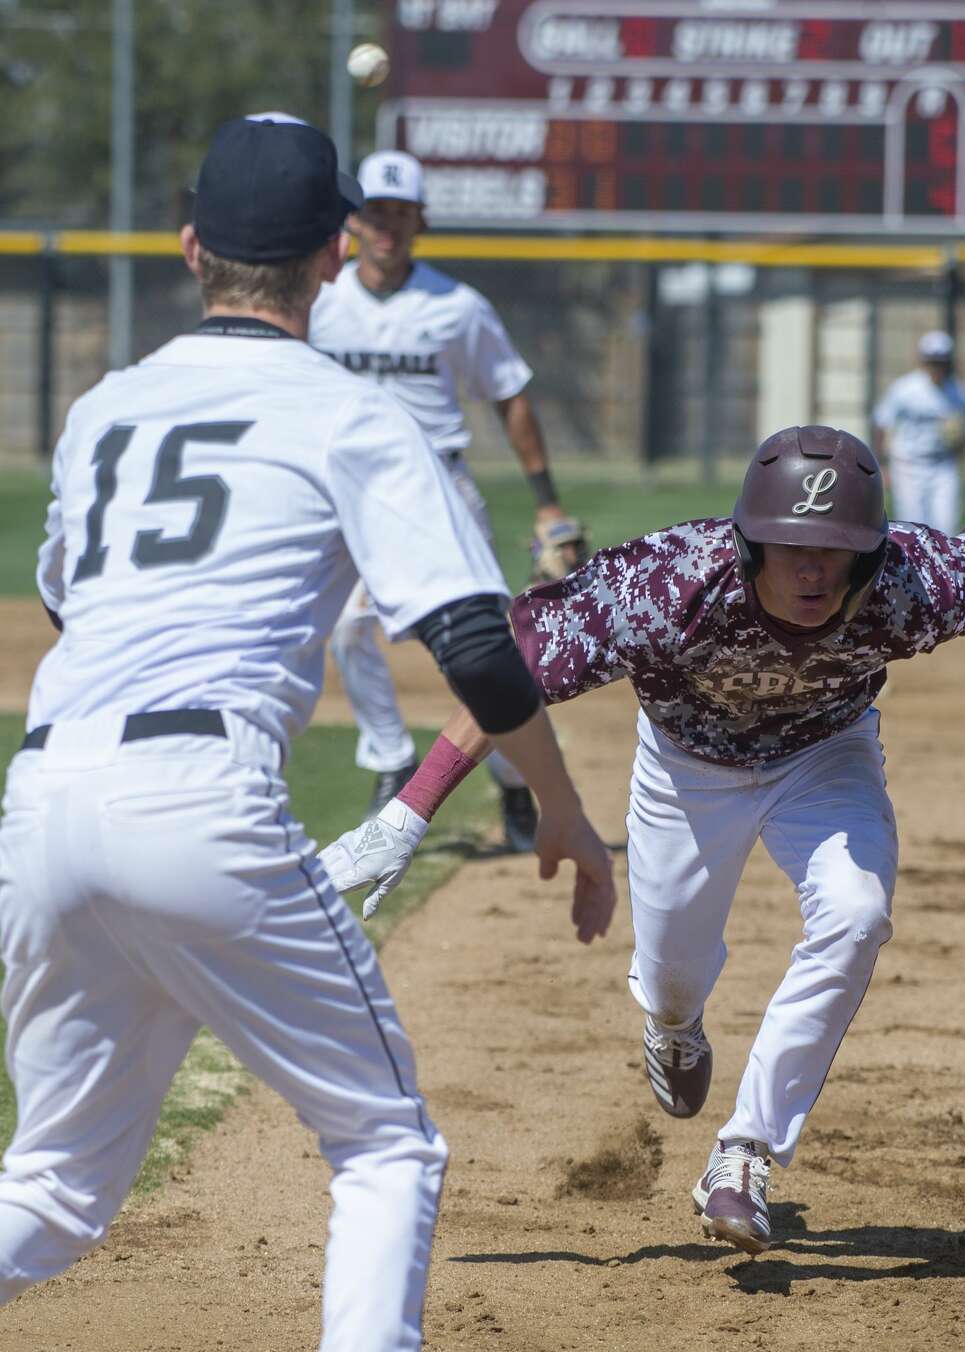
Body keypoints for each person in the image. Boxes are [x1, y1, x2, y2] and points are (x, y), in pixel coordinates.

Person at [0, 116, 614, 1350]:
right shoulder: (352, 413)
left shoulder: (103, 407)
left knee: (52, 1184)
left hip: (43, 796)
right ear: (335, 253)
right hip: (201, 802)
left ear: (189, 249)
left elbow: (72, 599)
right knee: (385, 1141)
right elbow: (478, 644)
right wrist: (560, 801)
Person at [319, 424, 965, 1258]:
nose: (815, 570)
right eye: (791, 548)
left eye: (837, 549)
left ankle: (743, 1153)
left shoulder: (915, 580)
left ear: (871, 550)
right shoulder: (666, 587)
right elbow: (510, 669)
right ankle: (675, 1024)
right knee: (674, 977)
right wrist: (409, 811)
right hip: (688, 770)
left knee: (857, 914)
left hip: (826, 754)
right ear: (751, 542)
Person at [308, 149, 586, 841]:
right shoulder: (322, 301)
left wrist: (547, 501)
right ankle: (390, 762)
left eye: (401, 214)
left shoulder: (457, 306)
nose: (387, 227)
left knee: (484, 651)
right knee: (347, 627)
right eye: (375, 213)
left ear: (420, 222)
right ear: (354, 221)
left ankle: (515, 783)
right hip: (350, 487)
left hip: (439, 488)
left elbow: (510, 396)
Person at [873, 329, 965, 536]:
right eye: (933, 360)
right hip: (908, 464)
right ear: (923, 360)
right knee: (913, 527)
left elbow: (964, 436)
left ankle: (943, 568)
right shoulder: (906, 388)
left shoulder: (958, 392)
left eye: (941, 360)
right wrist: (881, 464)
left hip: (942, 464)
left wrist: (959, 441)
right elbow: (882, 422)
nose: (937, 366)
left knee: (947, 525)